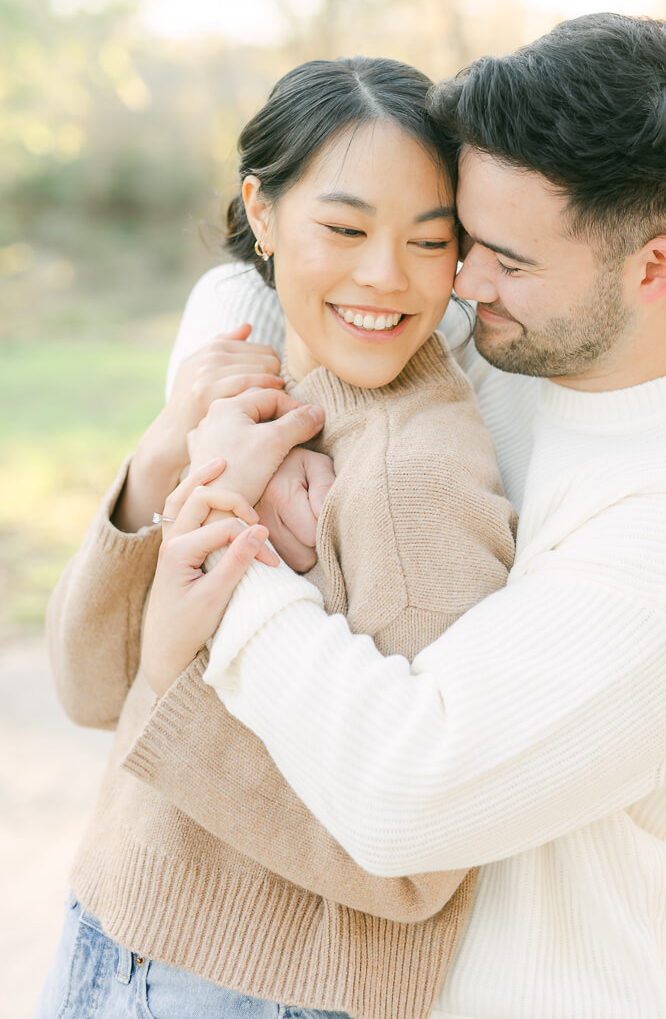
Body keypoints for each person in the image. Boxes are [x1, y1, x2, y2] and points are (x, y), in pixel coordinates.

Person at [133, 14, 666, 1019]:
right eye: (463, 242)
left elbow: (406, 791)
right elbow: (261, 273)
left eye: (503, 259)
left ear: (653, 269)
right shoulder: (527, 330)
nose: (456, 282)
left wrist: (229, 540)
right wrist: (225, 396)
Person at [37, 57, 517, 1019]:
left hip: (250, 991)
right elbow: (87, 688)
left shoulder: (410, 476)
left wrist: (171, 675)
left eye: (431, 242)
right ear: (260, 213)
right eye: (344, 229)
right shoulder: (255, 401)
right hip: (116, 927)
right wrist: (161, 457)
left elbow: (419, 858)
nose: (386, 277)